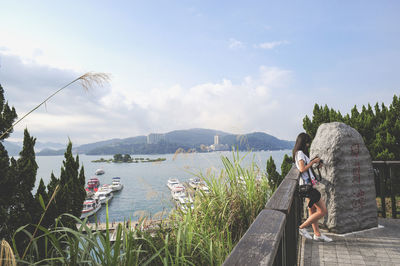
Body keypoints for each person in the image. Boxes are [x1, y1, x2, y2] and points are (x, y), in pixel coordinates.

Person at [293, 132, 332, 242]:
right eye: (307, 143)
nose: (308, 145)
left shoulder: (299, 153)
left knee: (313, 209)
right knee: (323, 210)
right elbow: (302, 169)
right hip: (307, 187)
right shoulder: (300, 153)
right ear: (304, 142)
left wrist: (314, 163)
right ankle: (302, 228)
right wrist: (313, 162)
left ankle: (317, 234)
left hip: (307, 185)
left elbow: (305, 168)